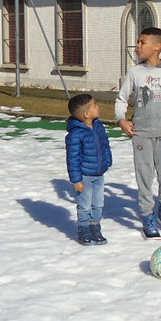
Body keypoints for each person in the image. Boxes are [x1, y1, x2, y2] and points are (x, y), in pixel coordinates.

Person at [115, 27, 161, 240]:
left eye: (142, 42)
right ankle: (147, 215)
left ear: (157, 46)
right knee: (144, 178)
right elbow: (121, 99)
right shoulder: (135, 72)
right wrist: (121, 120)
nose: (138, 46)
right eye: (138, 42)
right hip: (141, 135)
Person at [65, 93, 113, 245]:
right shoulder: (76, 134)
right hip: (84, 177)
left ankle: (95, 229)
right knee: (85, 205)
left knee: (98, 204)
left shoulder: (98, 126)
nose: (98, 107)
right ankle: (84, 230)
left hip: (99, 175)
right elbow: (72, 159)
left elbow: (105, 145)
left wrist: (107, 160)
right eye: (95, 105)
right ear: (86, 114)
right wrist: (76, 180)